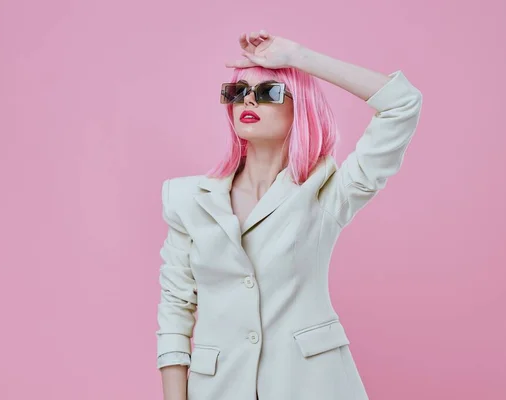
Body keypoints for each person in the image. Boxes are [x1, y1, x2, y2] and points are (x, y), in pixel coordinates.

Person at [156, 30, 423, 400]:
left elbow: (402, 104)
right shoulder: (187, 198)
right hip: (218, 388)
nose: (248, 100)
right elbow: (176, 309)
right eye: (237, 92)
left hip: (313, 385)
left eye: (269, 92)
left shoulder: (327, 192)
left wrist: (299, 57)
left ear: (303, 108)